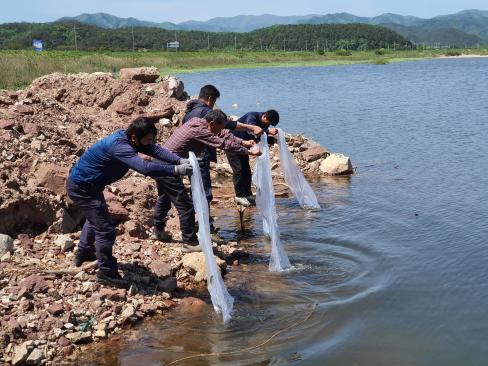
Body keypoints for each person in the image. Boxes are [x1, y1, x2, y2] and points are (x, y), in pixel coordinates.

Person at [67, 117, 192, 287]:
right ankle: (106, 272)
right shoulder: (120, 146)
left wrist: (178, 160)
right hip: (82, 187)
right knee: (105, 229)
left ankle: (83, 253)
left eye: (151, 139)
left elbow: (155, 150)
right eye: (147, 139)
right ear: (135, 137)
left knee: (95, 217)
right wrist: (175, 170)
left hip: (91, 185)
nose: (150, 143)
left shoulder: (132, 140)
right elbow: (144, 168)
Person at [151, 109, 261, 251]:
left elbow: (222, 134)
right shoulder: (200, 132)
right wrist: (248, 151)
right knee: (185, 205)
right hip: (167, 166)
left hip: (162, 162)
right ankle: (189, 242)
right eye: (220, 126)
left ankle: (158, 231)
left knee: (165, 198)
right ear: (212, 123)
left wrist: (243, 142)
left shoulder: (198, 122)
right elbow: (222, 143)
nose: (221, 130)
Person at [182, 85, 264, 236]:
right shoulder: (206, 112)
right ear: (211, 99)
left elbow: (222, 134)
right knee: (204, 193)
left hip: (188, 158)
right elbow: (224, 133)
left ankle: (192, 226)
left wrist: (242, 142)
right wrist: (249, 133)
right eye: (214, 102)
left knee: (194, 191)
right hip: (199, 157)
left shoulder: (189, 112)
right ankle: (206, 229)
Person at [226, 110, 280, 207]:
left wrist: (272, 140)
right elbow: (251, 130)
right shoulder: (252, 116)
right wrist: (267, 131)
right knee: (239, 170)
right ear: (264, 116)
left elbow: (259, 136)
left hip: (244, 146)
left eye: (269, 125)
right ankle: (239, 196)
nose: (267, 125)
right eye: (267, 123)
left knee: (246, 170)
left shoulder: (265, 123)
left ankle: (248, 194)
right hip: (232, 145)